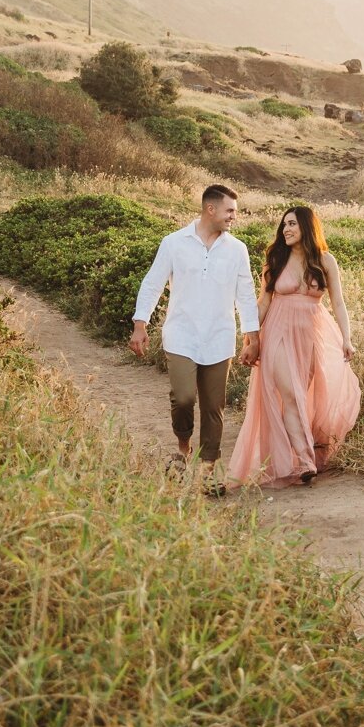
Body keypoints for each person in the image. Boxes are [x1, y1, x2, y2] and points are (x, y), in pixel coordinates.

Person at [131, 185, 259, 497]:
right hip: (182, 334)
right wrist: (139, 322)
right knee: (184, 397)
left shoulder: (237, 249)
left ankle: (208, 470)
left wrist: (251, 335)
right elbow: (152, 283)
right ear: (210, 209)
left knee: (214, 407)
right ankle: (183, 448)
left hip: (219, 336)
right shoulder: (174, 243)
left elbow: (246, 293)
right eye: (230, 211)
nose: (234, 217)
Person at [227, 205, 361, 489]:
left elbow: (338, 301)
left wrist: (346, 338)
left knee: (303, 394)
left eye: (292, 224)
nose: (286, 229)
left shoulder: (325, 261)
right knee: (290, 394)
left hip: (312, 333)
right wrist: (251, 339)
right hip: (277, 331)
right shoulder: (276, 259)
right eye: (284, 225)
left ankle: (300, 453)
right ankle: (304, 461)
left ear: (307, 228)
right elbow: (262, 302)